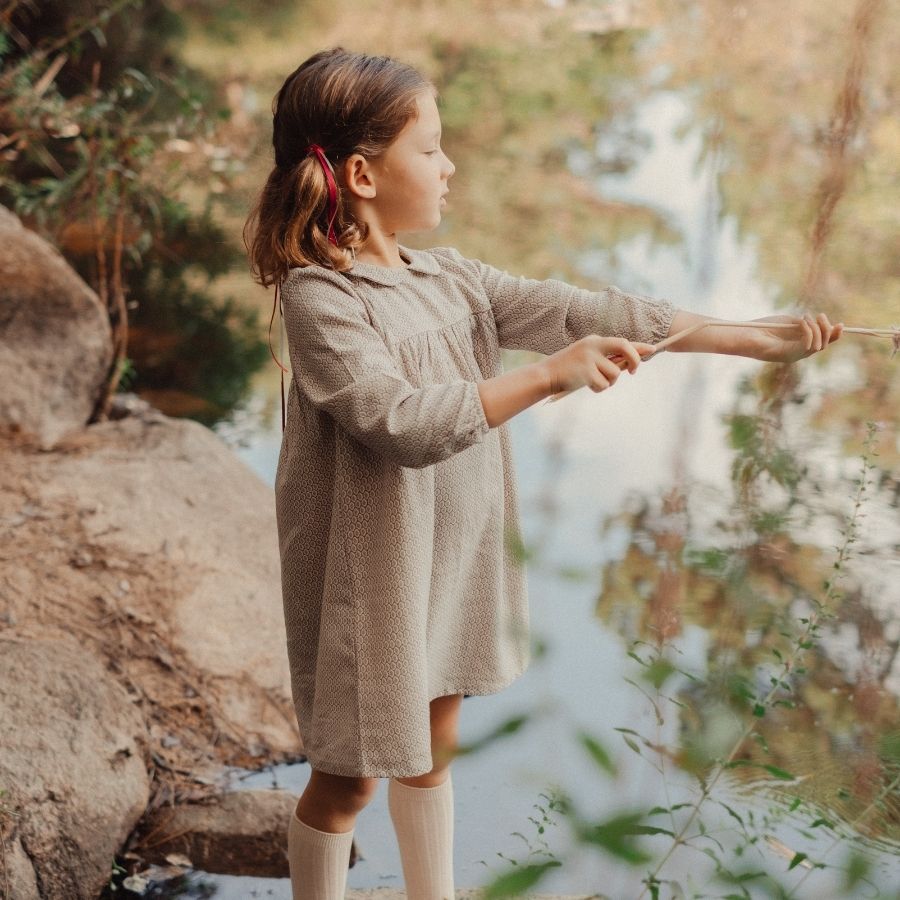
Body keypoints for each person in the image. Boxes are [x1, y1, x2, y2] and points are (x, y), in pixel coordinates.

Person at [243, 46, 843, 900]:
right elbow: (401, 423)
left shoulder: (450, 277)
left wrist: (750, 336)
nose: (449, 166)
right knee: (350, 782)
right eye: (432, 148)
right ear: (363, 175)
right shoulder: (322, 299)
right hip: (370, 582)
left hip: (448, 564)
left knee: (433, 750)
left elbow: (585, 309)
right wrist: (548, 377)